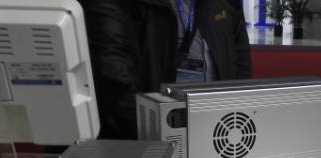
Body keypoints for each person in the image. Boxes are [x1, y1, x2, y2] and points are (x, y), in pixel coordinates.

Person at [79, 0, 252, 140]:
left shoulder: (223, 4)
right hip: (150, 141)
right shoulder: (116, 6)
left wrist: (235, 123)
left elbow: (241, 63)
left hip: (219, 134)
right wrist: (160, 134)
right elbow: (114, 77)